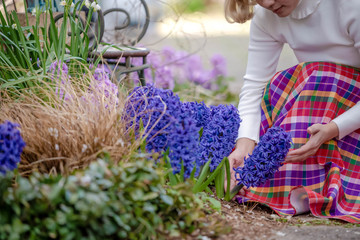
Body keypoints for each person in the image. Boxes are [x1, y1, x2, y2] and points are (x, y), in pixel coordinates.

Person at [225, 0, 360, 223]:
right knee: (281, 85)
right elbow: (254, 87)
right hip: (319, 108)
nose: (267, 3)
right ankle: (297, 183)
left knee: (322, 75)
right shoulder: (266, 16)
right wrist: (244, 146)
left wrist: (334, 128)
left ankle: (320, 184)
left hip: (350, 115)